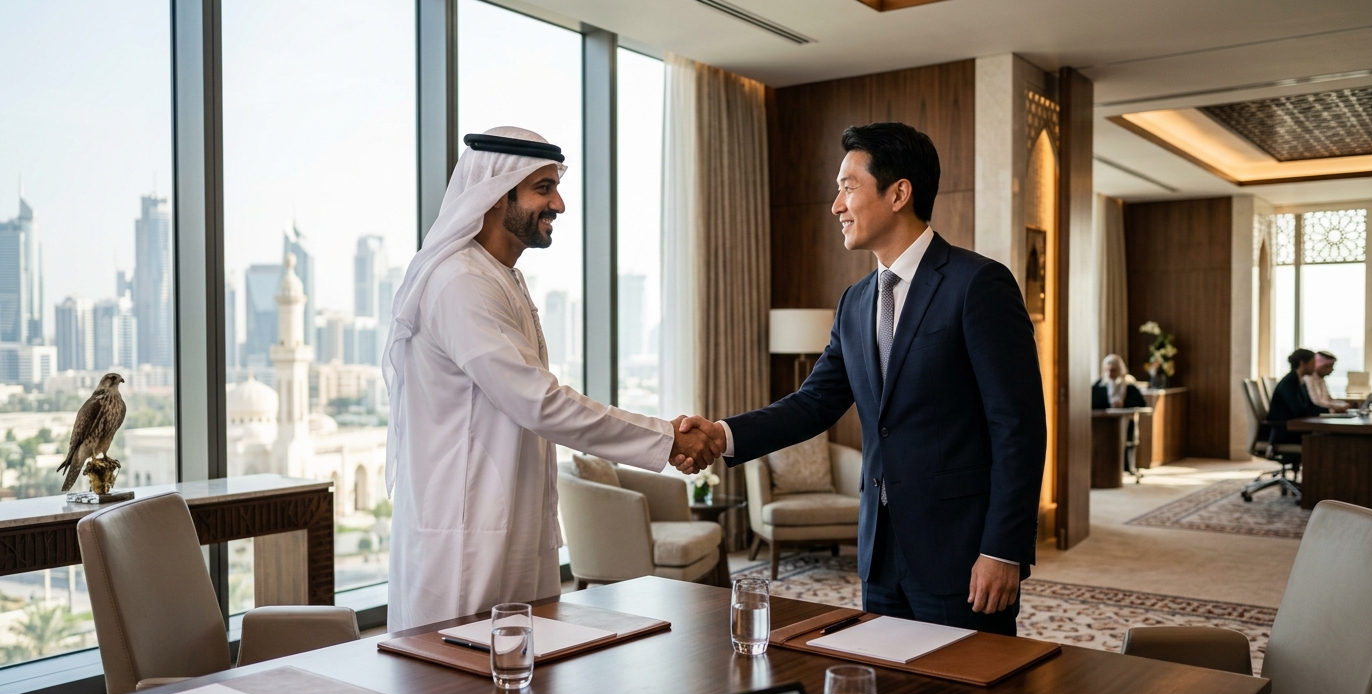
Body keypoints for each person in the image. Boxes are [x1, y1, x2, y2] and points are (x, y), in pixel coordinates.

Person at [676, 122, 1045, 636]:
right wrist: (722, 434)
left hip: (961, 552)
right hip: (878, 553)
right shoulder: (855, 302)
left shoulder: (977, 284)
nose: (836, 205)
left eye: (849, 186)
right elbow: (814, 403)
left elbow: (1019, 428)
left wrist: (1002, 548)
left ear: (899, 193)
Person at [382, 127, 719, 632]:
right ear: (498, 195)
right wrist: (667, 438)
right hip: (466, 539)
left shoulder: (503, 277)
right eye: (543, 188)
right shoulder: (462, 282)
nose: (558, 203)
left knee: (521, 693)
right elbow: (541, 404)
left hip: (510, 526)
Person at [1266, 348, 1326, 446]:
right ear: (1302, 364)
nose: (1315, 367)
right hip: (1284, 432)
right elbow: (1299, 411)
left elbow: (1309, 405)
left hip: (1292, 428)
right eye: (1312, 363)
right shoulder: (1289, 383)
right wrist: (1329, 411)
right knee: (1326, 439)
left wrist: (1330, 411)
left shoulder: (1299, 381)